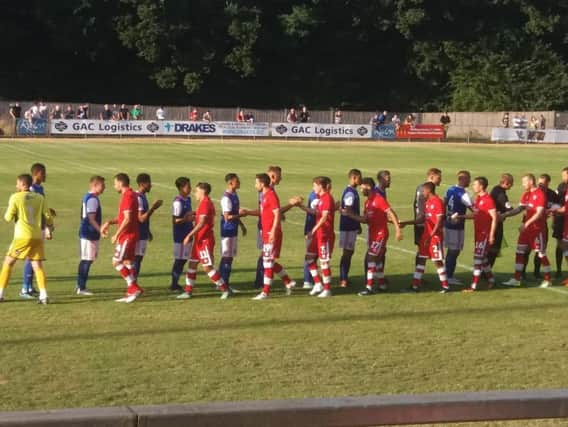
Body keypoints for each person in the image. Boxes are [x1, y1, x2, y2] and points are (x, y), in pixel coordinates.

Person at [342, 177, 403, 295]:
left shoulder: (378, 199)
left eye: (362, 187)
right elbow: (365, 220)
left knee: (371, 258)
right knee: (378, 260)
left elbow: (391, 213)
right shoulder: (367, 202)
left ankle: (369, 287)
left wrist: (397, 230)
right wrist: (349, 214)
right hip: (372, 234)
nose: (361, 190)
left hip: (380, 234)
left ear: (368, 186)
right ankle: (382, 284)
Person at [0, 174, 54, 304]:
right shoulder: (40, 198)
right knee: (37, 266)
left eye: (17, 183)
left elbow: (7, 218)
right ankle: (43, 295)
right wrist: (49, 228)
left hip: (22, 236)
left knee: (8, 263)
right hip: (36, 236)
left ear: (23, 184)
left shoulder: (15, 197)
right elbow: (48, 216)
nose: (16, 185)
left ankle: (0, 293)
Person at [241, 174, 296, 300]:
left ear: (262, 184)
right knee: (269, 261)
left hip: (272, 233)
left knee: (267, 263)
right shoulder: (264, 196)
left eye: (256, 183)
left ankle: (265, 292)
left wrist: (272, 231)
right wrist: (247, 212)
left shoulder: (271, 195)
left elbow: (277, 214)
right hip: (266, 232)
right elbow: (263, 212)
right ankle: (288, 282)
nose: (255, 185)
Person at [177, 183, 230, 300]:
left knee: (207, 267)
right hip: (199, 240)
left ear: (203, 191)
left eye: (196, 191)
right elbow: (205, 216)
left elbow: (201, 223)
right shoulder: (205, 202)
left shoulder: (205, 203)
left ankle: (224, 289)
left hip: (204, 241)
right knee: (192, 264)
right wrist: (195, 213)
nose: (194, 193)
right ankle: (188, 291)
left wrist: (189, 235)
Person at [501, 174, 552, 288]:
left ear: (530, 182)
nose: (523, 184)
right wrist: (505, 214)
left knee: (540, 254)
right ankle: (517, 278)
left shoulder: (540, 194)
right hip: (527, 230)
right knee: (520, 252)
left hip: (537, 230)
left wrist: (526, 223)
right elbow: (519, 209)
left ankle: (548, 279)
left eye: (524, 182)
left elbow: (539, 213)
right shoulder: (526, 194)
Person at [250, 166, 297, 289]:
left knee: (267, 258)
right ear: (273, 176)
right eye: (280, 176)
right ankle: (262, 283)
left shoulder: (269, 193)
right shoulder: (266, 193)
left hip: (270, 229)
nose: (281, 178)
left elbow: (274, 211)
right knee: (266, 257)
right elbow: (268, 211)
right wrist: (291, 205)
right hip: (266, 228)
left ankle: (266, 286)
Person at [100, 173, 144, 303]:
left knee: (116, 262)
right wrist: (109, 222)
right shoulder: (131, 195)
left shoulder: (128, 196)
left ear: (120, 183)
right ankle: (131, 292)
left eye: (115, 183)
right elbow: (124, 217)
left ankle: (134, 288)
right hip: (131, 234)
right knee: (127, 262)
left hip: (127, 236)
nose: (114, 186)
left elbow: (127, 219)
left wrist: (116, 234)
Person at [400, 182, 450, 293]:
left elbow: (439, 220)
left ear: (428, 190)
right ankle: (415, 286)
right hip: (426, 236)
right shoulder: (427, 203)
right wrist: (406, 222)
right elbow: (422, 219)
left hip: (435, 237)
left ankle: (445, 286)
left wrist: (431, 235)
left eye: (423, 191)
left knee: (437, 261)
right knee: (422, 259)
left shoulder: (438, 202)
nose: (422, 193)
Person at [454, 177, 497, 292]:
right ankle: (491, 280)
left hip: (485, 234)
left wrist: (492, 235)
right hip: (478, 234)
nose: (473, 186)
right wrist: (461, 217)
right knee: (483, 260)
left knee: (478, 259)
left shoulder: (488, 200)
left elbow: (494, 218)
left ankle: (473, 286)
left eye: (475, 184)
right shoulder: (478, 199)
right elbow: (475, 215)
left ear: (481, 186)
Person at [21, 163, 56, 298]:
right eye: (43, 173)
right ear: (37, 174)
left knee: (34, 258)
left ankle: (30, 287)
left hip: (40, 226)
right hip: (32, 228)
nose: (45, 175)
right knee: (31, 258)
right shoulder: (30, 189)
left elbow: (41, 206)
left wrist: (48, 212)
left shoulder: (40, 188)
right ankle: (25, 288)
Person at [299, 176, 335, 298]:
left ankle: (327, 289)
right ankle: (318, 283)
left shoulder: (327, 198)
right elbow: (316, 212)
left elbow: (324, 217)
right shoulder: (321, 199)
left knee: (324, 262)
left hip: (325, 235)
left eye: (314, 185)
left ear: (320, 186)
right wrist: (300, 206)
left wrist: (312, 230)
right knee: (309, 257)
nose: (313, 188)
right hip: (318, 235)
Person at [522, 174, 558, 279]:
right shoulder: (531, 193)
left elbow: (556, 208)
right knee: (526, 249)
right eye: (539, 183)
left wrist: (552, 217)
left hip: (541, 225)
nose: (540, 185)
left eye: (543, 183)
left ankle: (537, 272)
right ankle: (522, 272)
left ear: (548, 183)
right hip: (529, 224)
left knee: (540, 250)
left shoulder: (551, 194)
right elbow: (525, 209)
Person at [77, 176, 106, 296]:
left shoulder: (89, 197)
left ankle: (80, 285)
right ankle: (81, 287)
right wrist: (101, 230)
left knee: (87, 259)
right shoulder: (92, 199)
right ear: (95, 185)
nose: (104, 188)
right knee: (87, 260)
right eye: (102, 185)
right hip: (88, 233)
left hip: (88, 232)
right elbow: (91, 218)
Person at [443, 170, 473, 286]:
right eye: (468, 179)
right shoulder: (463, 194)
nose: (469, 181)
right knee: (454, 251)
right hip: (456, 226)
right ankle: (448, 276)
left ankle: (448, 274)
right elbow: (474, 210)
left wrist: (446, 217)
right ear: (462, 179)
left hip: (448, 223)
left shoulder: (449, 189)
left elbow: (444, 204)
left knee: (453, 251)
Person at [218, 173, 247, 290]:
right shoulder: (226, 198)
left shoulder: (234, 194)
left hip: (233, 230)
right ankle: (223, 284)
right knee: (227, 258)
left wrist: (241, 225)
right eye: (237, 181)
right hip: (227, 231)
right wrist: (241, 215)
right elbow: (227, 217)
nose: (239, 182)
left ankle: (222, 283)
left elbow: (234, 214)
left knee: (229, 257)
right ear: (230, 183)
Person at [134, 174, 163, 278]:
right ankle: (132, 284)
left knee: (138, 259)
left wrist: (148, 231)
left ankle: (133, 283)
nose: (151, 185)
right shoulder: (138, 198)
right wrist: (153, 208)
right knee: (136, 259)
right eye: (149, 183)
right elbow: (141, 218)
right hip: (138, 234)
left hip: (142, 232)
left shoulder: (143, 196)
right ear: (142, 184)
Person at [412, 168, 442, 269]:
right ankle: (418, 276)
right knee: (424, 251)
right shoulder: (424, 190)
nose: (440, 180)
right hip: (423, 224)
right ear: (432, 177)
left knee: (423, 251)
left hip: (422, 223)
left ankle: (418, 277)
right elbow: (422, 210)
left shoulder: (422, 188)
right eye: (439, 177)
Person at [338, 169, 362, 288]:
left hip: (350, 226)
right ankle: (343, 279)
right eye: (359, 178)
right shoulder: (350, 193)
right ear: (354, 178)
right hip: (348, 227)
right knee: (347, 253)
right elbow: (348, 210)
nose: (361, 180)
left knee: (349, 252)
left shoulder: (352, 191)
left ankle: (344, 277)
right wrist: (359, 221)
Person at [169, 177, 194, 292]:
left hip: (188, 233)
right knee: (179, 260)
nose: (190, 188)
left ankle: (176, 282)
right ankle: (174, 284)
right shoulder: (178, 202)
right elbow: (175, 221)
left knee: (184, 259)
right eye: (188, 186)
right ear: (181, 188)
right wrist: (186, 218)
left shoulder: (187, 199)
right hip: (180, 236)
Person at [487, 173, 514, 267]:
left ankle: (484, 271)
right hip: (496, 224)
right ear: (506, 183)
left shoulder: (495, 189)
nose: (512, 185)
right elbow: (510, 209)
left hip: (490, 222)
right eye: (511, 183)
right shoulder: (501, 194)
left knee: (491, 248)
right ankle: (487, 272)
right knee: (494, 248)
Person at [552, 167, 568, 277]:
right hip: (560, 219)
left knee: (564, 245)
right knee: (559, 244)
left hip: (565, 217)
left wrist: (552, 210)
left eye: (564, 175)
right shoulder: (561, 186)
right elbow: (555, 201)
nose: (562, 177)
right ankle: (558, 270)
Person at [301, 190, 318, 289]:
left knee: (313, 256)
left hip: (312, 230)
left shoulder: (315, 195)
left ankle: (311, 279)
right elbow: (317, 212)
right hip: (312, 230)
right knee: (311, 256)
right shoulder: (315, 197)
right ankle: (307, 280)